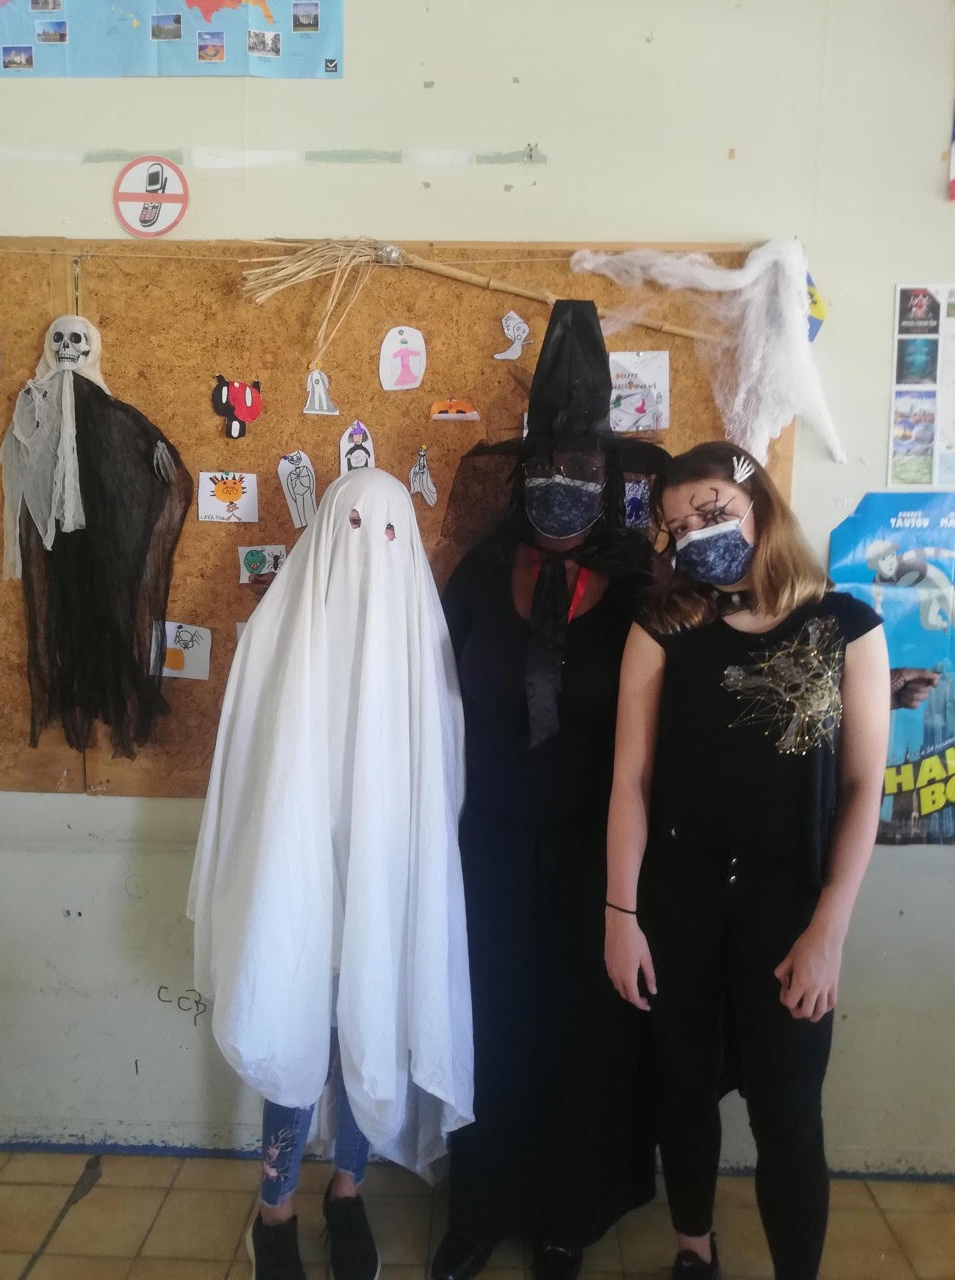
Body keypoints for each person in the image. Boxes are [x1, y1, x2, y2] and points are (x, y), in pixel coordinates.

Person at [605, 443, 890, 1280]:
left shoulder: (848, 626)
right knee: (683, 1091)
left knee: (789, 1113)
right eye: (679, 526)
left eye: (713, 510)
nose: (699, 533)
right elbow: (630, 781)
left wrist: (830, 930)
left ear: (758, 504)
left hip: (792, 911)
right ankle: (693, 1250)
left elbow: (863, 789)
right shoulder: (663, 629)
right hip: (679, 904)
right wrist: (620, 915)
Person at [188, 469, 474, 1280]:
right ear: (323, 533)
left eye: (388, 534)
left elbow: (443, 777)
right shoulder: (275, 634)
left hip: (381, 883)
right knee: (291, 1030)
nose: (369, 552)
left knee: (364, 1034)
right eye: (353, 529)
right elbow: (246, 767)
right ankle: (274, 1210)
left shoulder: (422, 644)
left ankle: (347, 1195)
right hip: (292, 882)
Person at [433, 301, 662, 1280]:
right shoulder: (479, 577)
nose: (563, 491)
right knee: (489, 1017)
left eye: (582, 474)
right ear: (522, 475)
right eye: (548, 472)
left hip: (595, 851)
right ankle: (481, 1207)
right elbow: (426, 698)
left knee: (583, 1030)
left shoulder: (644, 589)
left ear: (608, 480)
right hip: (485, 844)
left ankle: (570, 1214)